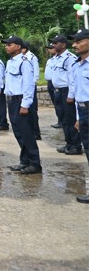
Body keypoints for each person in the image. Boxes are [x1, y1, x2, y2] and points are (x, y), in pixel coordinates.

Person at [3, 35, 41, 174]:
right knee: (19, 133)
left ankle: (35, 164)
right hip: (12, 100)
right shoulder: (10, 62)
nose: (7, 47)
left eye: (9, 44)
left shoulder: (25, 62)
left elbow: (28, 84)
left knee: (27, 133)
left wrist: (25, 104)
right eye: (6, 44)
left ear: (18, 46)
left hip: (20, 101)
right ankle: (25, 161)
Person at [67, 28, 89, 203]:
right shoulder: (77, 65)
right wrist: (78, 117)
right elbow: (78, 95)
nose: (74, 45)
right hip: (83, 111)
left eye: (79, 41)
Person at [50, 35, 81, 155]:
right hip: (58, 91)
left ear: (63, 44)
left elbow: (73, 78)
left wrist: (71, 95)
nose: (53, 45)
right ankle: (69, 142)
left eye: (55, 43)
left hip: (66, 91)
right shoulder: (56, 58)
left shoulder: (70, 58)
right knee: (63, 119)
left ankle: (75, 145)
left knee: (70, 118)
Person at [21, 42, 41, 139]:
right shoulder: (21, 58)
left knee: (32, 110)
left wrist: (33, 83)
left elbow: (36, 72)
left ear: (24, 49)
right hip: (24, 87)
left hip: (30, 86)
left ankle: (36, 133)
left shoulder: (32, 57)